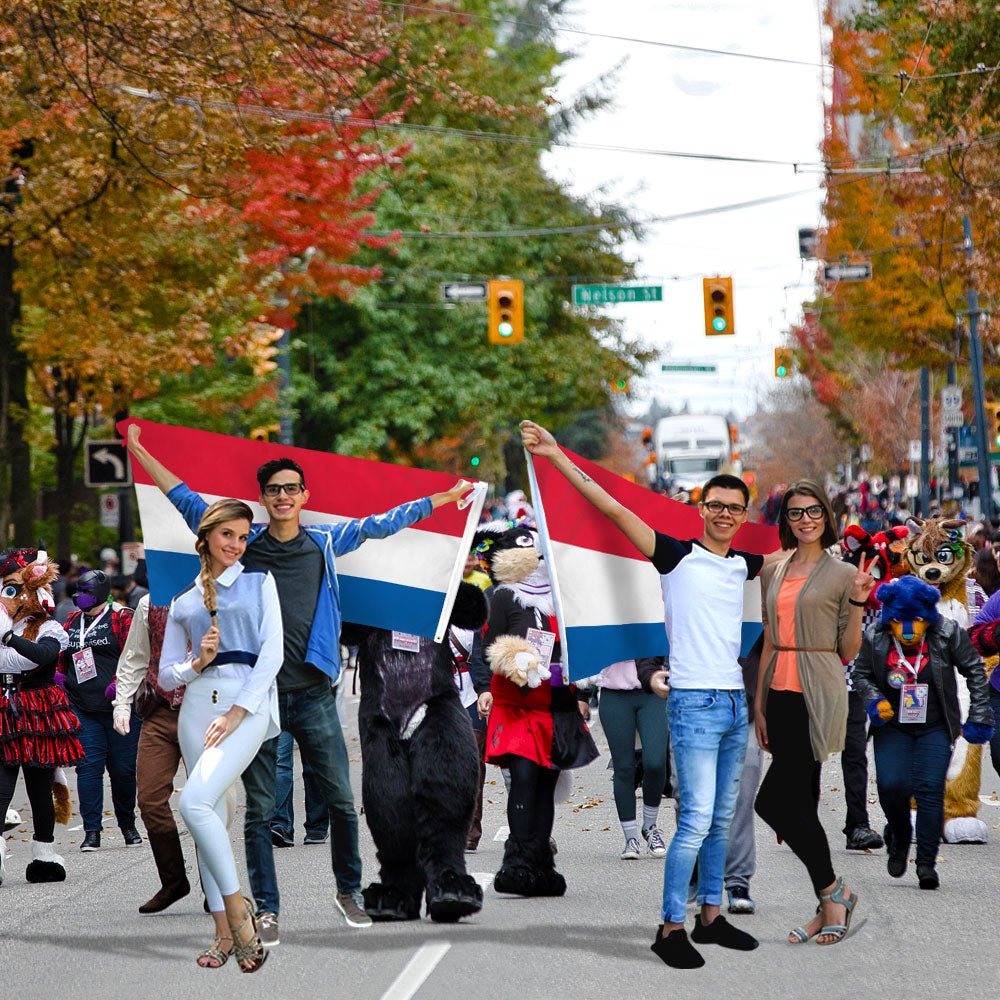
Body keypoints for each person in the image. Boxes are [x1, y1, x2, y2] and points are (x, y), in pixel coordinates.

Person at [127, 423, 473, 942]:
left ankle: (348, 892)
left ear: (305, 495)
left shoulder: (325, 543)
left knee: (338, 798)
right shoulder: (245, 545)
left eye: (292, 488)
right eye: (274, 490)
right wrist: (138, 452)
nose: (284, 496)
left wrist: (442, 498)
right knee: (261, 811)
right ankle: (266, 909)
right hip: (257, 698)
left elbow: (383, 525)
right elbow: (185, 501)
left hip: (313, 694)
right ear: (263, 499)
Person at [520, 419, 766, 970]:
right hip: (694, 703)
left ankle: (710, 916)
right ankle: (669, 926)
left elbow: (801, 558)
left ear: (744, 516)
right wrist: (559, 456)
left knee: (721, 818)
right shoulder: (676, 556)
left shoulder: (744, 566)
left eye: (734, 508)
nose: (725, 513)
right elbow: (610, 508)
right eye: (716, 505)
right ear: (702, 509)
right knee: (697, 820)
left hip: (733, 704)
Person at [159, 498, 280, 971]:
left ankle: (239, 916)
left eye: (243, 536)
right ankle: (222, 936)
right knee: (210, 816)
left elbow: (272, 654)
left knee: (193, 802)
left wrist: (237, 711)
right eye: (228, 534)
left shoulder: (259, 581)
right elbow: (166, 676)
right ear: (207, 535)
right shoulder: (185, 600)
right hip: (195, 709)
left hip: (244, 706)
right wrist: (197, 663)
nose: (236, 544)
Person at [754, 480, 873, 946]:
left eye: (814, 512)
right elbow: (768, 636)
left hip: (817, 690)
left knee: (771, 802)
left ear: (827, 516)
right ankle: (829, 901)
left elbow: (846, 649)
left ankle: (833, 892)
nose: (805, 520)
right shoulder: (773, 569)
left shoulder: (843, 573)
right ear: (785, 520)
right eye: (796, 513)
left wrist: (860, 602)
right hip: (777, 692)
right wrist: (760, 704)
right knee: (798, 804)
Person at [856, 575, 993, 889]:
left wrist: (980, 713)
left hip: (935, 726)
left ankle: (927, 863)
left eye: (916, 621)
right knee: (892, 786)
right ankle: (900, 835)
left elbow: (974, 669)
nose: (908, 629)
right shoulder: (875, 636)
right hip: (892, 726)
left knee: (930, 790)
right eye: (901, 621)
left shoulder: (947, 633)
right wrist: (875, 701)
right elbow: (862, 675)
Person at [0, 547, 80, 885]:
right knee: (2, 787)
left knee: (39, 786)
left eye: (14, 588)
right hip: (4, 708)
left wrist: (7, 638)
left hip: (38, 710)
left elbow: (40, 657)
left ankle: (44, 854)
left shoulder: (49, 627)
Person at [112, 595, 191, 913]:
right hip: (160, 712)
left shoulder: (222, 591)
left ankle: (217, 885)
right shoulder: (150, 602)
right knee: (149, 799)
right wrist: (121, 703)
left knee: (205, 802)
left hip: (204, 711)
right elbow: (134, 657)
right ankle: (173, 880)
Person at [60, 570, 141, 852]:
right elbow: (63, 655)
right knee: (88, 769)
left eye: (85, 590)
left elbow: (137, 656)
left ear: (100, 591)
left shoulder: (122, 617)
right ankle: (92, 830)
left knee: (123, 770)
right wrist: (60, 677)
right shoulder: (72, 620)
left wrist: (120, 685)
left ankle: (128, 825)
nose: (78, 595)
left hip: (121, 707)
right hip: (83, 707)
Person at [596, 658, 668, 861]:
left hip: (651, 691)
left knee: (656, 761)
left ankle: (650, 827)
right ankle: (631, 838)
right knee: (624, 767)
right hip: (614, 693)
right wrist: (583, 695)